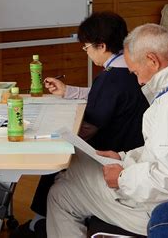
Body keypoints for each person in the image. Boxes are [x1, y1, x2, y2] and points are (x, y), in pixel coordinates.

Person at [40, 24, 168, 237]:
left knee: (60, 193)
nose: (138, 81)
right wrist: (122, 156)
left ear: (152, 60)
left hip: (163, 209)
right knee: (74, 170)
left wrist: (122, 178)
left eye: (136, 72)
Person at [13, 12, 148, 237]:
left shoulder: (111, 78)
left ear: (101, 45)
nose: (86, 53)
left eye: (86, 48)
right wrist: (69, 91)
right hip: (131, 149)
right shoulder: (131, 71)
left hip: (112, 155)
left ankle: (41, 222)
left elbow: (88, 127)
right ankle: (43, 220)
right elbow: (103, 97)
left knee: (59, 158)